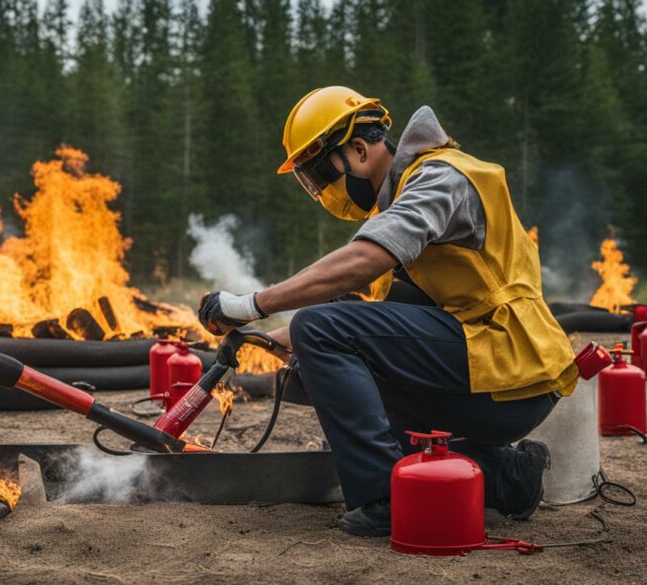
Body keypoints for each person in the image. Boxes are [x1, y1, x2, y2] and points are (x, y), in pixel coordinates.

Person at [196, 87, 577, 537]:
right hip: (488, 372)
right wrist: (268, 341)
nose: (318, 191)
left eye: (317, 174)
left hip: (511, 367)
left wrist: (250, 305)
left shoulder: (440, 177)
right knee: (316, 354)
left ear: (359, 149)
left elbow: (361, 264)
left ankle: (387, 497)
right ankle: (505, 478)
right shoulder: (398, 202)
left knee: (319, 327)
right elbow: (376, 318)